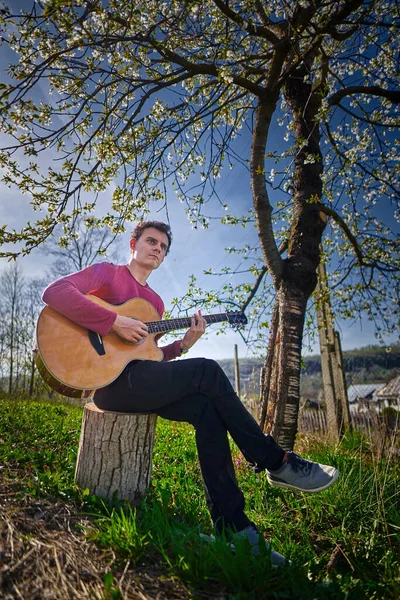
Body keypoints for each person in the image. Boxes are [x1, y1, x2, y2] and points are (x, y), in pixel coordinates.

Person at [42, 220, 339, 566]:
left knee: (206, 410)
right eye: (152, 241)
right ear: (133, 243)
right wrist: (113, 323)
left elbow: (149, 357)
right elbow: (56, 292)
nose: (157, 249)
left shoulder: (154, 303)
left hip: (139, 379)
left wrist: (182, 344)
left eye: (163, 247)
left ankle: (234, 528)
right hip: (110, 387)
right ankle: (276, 461)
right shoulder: (108, 274)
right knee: (208, 369)